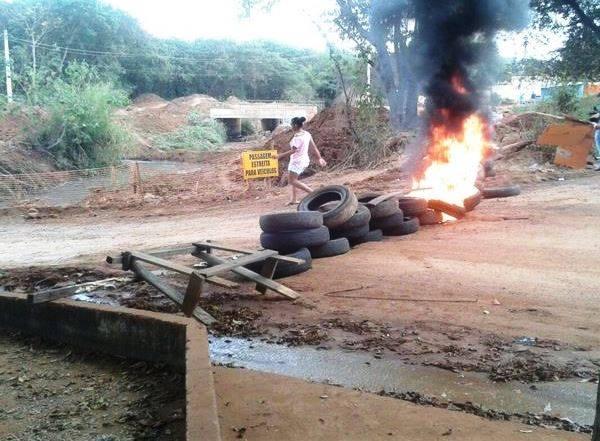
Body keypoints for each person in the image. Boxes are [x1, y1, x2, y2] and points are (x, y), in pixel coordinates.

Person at [276, 116, 327, 205]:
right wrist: (319, 158)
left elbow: (293, 151)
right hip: (303, 160)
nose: (291, 127)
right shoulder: (307, 134)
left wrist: (280, 156)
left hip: (297, 161)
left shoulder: (297, 138)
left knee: (292, 181)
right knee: (294, 179)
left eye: (291, 125)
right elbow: (314, 147)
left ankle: (314, 193)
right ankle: (294, 199)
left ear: (295, 125)